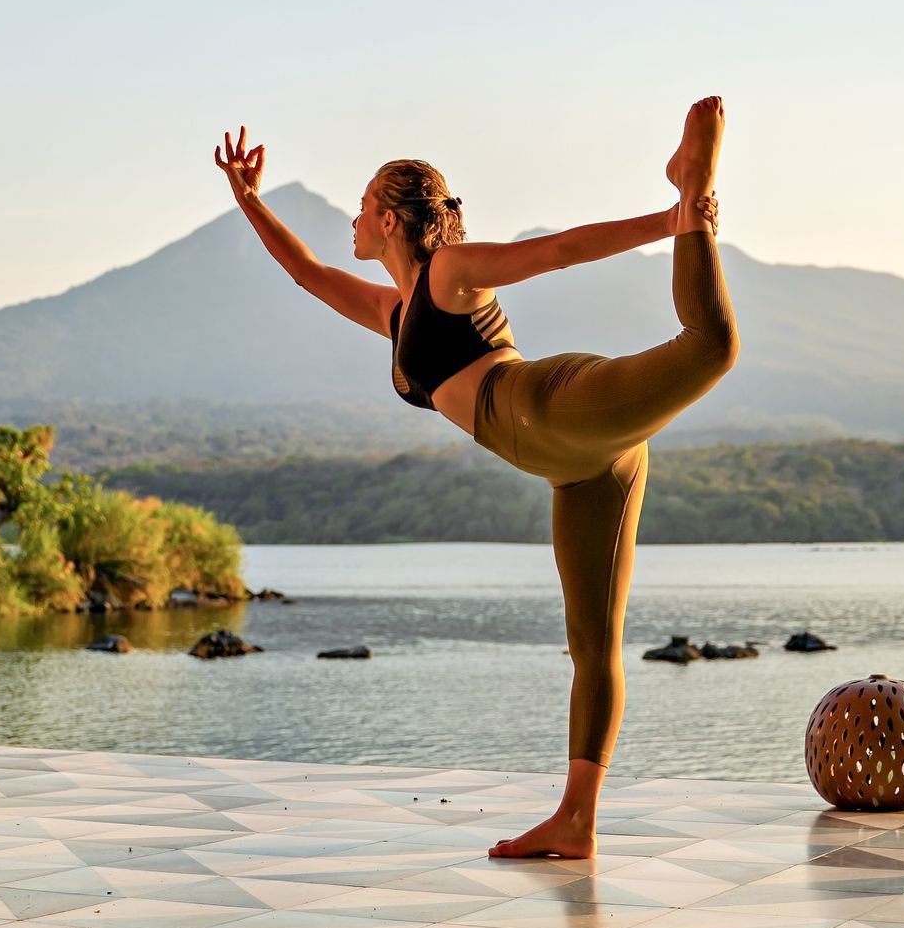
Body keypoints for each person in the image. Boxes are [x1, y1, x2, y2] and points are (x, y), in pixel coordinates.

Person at [212, 100, 736, 857]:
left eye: (362, 207)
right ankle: (577, 821)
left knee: (711, 345)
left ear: (391, 220)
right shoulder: (396, 310)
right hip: (578, 469)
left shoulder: (449, 274)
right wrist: (249, 200)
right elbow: (308, 276)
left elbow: (557, 251)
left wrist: (671, 219)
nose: (352, 221)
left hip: (552, 410)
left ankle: (694, 191)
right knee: (592, 646)